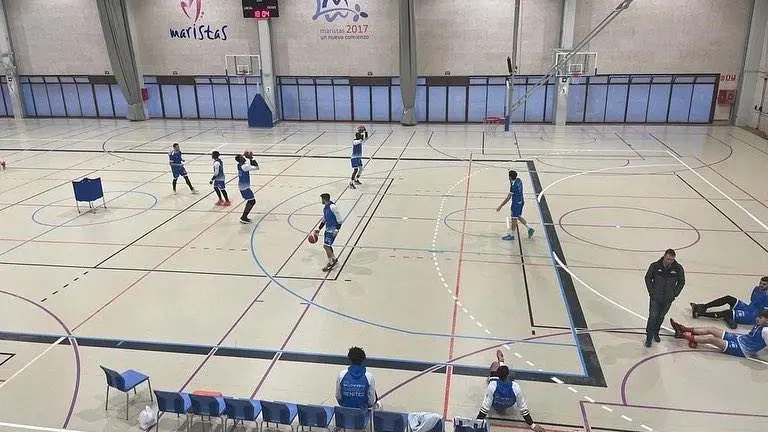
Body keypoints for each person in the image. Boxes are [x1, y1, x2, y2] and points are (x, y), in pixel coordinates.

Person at [476, 349, 545, 432]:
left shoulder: (492, 385)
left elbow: (485, 408)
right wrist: (532, 425)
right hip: (508, 405)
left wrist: (476, 424)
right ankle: (501, 362)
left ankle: (500, 362)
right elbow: (523, 408)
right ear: (507, 376)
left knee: (494, 364)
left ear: (497, 375)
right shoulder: (515, 387)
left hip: (495, 405)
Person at [670, 310, 768, 359]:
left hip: (742, 349)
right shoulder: (759, 324)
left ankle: (682, 335)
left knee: (712, 339)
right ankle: (684, 328)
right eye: (758, 317)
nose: (757, 319)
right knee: (712, 329)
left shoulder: (765, 331)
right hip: (740, 338)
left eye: (760, 317)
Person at [690, 276, 768, 329]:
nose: (761, 285)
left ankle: (699, 313)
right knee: (729, 298)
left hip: (752, 315)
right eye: (760, 283)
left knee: (728, 312)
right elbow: (752, 300)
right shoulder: (756, 289)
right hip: (748, 308)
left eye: (764, 284)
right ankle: (704, 307)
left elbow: (764, 313)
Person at [644, 249, 685, 347]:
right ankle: (649, 338)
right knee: (653, 317)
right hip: (655, 298)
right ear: (664, 256)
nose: (669, 261)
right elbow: (648, 278)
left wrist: (674, 294)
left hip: (668, 299)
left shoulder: (678, 268)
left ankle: (656, 332)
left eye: (671, 260)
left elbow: (681, 282)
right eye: (668, 259)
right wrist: (652, 292)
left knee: (661, 317)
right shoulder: (655, 266)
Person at [495, 170, 534, 241]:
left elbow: (508, 198)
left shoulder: (513, 187)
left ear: (509, 177)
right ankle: (529, 228)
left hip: (516, 204)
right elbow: (513, 183)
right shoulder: (519, 180)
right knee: (518, 216)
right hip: (521, 201)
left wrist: (500, 206)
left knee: (513, 219)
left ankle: (512, 235)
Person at [313, 193, 343, 272]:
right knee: (328, 246)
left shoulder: (332, 207)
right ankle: (333, 259)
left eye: (322, 199)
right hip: (327, 229)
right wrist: (319, 229)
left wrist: (337, 230)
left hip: (332, 230)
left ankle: (331, 263)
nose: (321, 201)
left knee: (326, 246)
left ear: (324, 199)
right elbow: (324, 219)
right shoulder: (325, 208)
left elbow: (340, 219)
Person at [235, 152, 259, 224]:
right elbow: (257, 167)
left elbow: (249, 165)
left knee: (250, 201)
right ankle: (243, 217)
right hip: (244, 187)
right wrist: (251, 158)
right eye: (242, 157)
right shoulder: (244, 166)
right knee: (252, 201)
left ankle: (244, 217)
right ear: (240, 159)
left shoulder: (240, 165)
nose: (243, 157)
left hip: (243, 186)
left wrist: (249, 158)